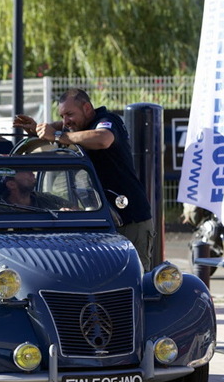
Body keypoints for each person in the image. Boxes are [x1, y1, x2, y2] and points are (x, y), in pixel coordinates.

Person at [13, 89, 154, 271]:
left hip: (130, 219)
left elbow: (103, 139)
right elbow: (62, 126)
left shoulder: (108, 120)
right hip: (103, 220)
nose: (66, 121)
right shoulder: (77, 127)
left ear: (87, 108)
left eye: (70, 114)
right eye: (62, 116)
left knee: (135, 275)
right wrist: (38, 129)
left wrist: (57, 136)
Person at [0, 170, 72, 210]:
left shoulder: (45, 198)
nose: (32, 173)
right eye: (24, 170)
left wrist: (66, 212)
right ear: (11, 184)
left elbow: (73, 208)